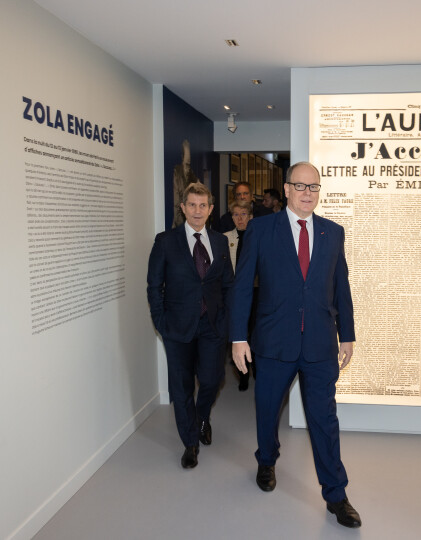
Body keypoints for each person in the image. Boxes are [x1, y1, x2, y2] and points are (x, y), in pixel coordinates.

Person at [230, 162, 362, 528]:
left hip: (320, 344)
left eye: (314, 187)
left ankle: (336, 495)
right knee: (268, 410)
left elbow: (342, 287)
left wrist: (347, 334)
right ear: (286, 189)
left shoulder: (332, 233)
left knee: (325, 421)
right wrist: (238, 337)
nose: (308, 193)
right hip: (273, 343)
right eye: (300, 186)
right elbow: (242, 286)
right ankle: (267, 459)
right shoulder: (260, 229)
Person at [147, 182, 233, 469]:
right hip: (178, 328)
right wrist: (161, 322)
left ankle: (203, 416)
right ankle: (190, 442)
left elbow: (228, 284)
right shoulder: (165, 241)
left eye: (203, 205)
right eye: (192, 205)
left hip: (212, 326)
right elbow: (153, 286)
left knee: (211, 379)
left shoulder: (220, 242)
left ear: (210, 209)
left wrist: (227, 319)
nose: (197, 211)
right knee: (182, 387)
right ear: (183, 208)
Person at [223, 199, 256, 390]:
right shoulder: (225, 238)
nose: (240, 219)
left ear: (250, 216)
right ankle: (242, 375)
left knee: (255, 335)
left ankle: (257, 370)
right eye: (236, 215)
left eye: (243, 214)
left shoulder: (258, 237)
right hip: (234, 294)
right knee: (238, 335)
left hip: (256, 293)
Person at [171, 140, 200, 228]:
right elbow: (176, 204)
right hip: (179, 221)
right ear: (182, 157)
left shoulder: (191, 174)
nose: (188, 168)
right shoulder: (177, 172)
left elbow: (201, 189)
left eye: (189, 164)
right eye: (186, 164)